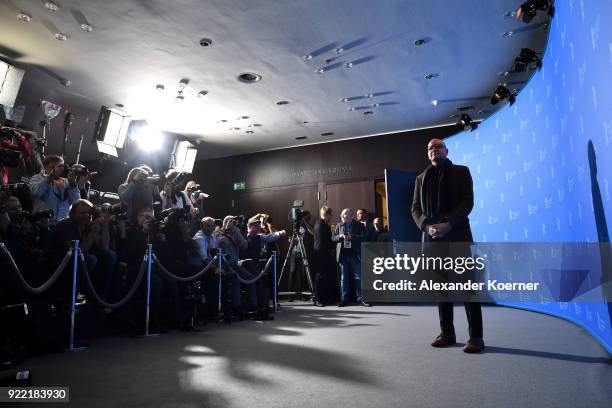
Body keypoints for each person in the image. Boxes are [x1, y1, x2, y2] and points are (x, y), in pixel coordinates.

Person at [411, 138, 484, 353]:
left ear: (446, 150)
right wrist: (427, 227)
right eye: (430, 148)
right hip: (433, 240)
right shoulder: (420, 178)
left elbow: (467, 202)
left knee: (468, 289)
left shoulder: (462, 171)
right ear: (428, 154)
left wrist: (448, 223)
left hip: (458, 236)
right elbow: (415, 209)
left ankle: (476, 337)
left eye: (438, 147)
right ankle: (447, 333)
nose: (434, 150)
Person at [50, 199, 117, 310]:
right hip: (60, 264)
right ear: (72, 214)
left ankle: (99, 298)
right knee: (90, 259)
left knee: (110, 255)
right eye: (82, 213)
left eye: (89, 212)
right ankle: (68, 300)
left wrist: (105, 225)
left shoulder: (89, 224)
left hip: (82, 263)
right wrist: (93, 233)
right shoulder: (65, 225)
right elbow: (76, 252)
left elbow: (105, 248)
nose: (86, 215)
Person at [241, 216, 286, 318]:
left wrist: (279, 233)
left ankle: (261, 306)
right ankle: (256, 306)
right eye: (256, 227)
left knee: (262, 281)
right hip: (244, 266)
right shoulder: (242, 237)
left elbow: (270, 237)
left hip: (254, 266)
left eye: (258, 226)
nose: (258, 228)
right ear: (249, 226)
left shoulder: (259, 237)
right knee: (258, 281)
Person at [28, 155, 85, 225]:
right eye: (52, 167)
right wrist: (51, 176)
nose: (59, 170)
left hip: (62, 224)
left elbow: (76, 202)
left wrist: (73, 183)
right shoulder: (37, 178)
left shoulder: (67, 181)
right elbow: (37, 192)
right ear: (45, 167)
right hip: (43, 222)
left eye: (61, 166)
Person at [332, 208, 370, 307]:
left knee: (358, 278)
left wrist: (351, 237)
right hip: (343, 256)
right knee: (344, 279)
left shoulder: (359, 225)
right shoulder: (339, 225)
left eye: (344, 215)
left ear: (350, 216)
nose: (342, 217)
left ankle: (361, 299)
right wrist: (340, 237)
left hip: (355, 255)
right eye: (341, 215)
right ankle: (344, 299)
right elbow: (333, 238)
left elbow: (364, 237)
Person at [287, 211, 314, 301]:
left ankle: (304, 295)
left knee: (304, 274)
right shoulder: (296, 225)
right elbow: (294, 238)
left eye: (304, 217)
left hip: (305, 252)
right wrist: (292, 239)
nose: (301, 218)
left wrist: (305, 223)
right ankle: (291, 295)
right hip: (295, 252)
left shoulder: (309, 225)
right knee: (292, 272)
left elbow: (312, 232)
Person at [313, 206, 336, 306]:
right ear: (327, 214)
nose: (331, 216)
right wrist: (332, 246)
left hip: (321, 254)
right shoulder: (322, 225)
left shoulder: (320, 224)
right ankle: (318, 299)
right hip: (322, 255)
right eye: (330, 214)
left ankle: (324, 298)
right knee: (320, 277)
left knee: (323, 276)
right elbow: (323, 242)